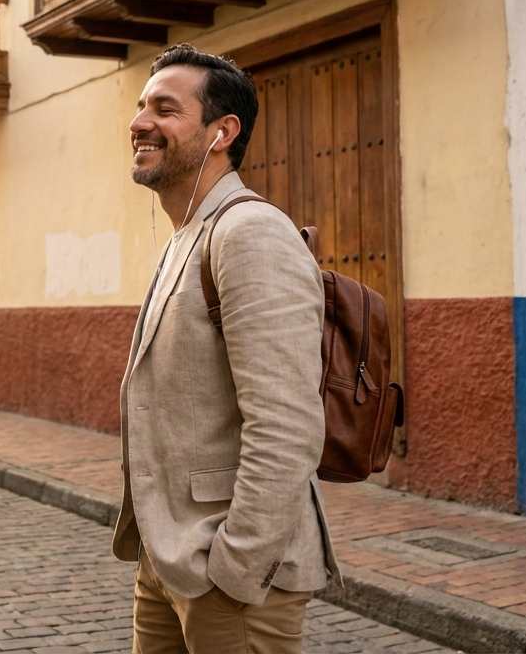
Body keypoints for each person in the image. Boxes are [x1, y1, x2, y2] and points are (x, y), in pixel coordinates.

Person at [114, 45, 334, 654]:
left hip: (228, 573)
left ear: (222, 132)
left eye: (165, 108)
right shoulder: (190, 233)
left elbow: (287, 424)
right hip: (167, 558)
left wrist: (235, 569)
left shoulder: (251, 233)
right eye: (139, 108)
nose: (139, 123)